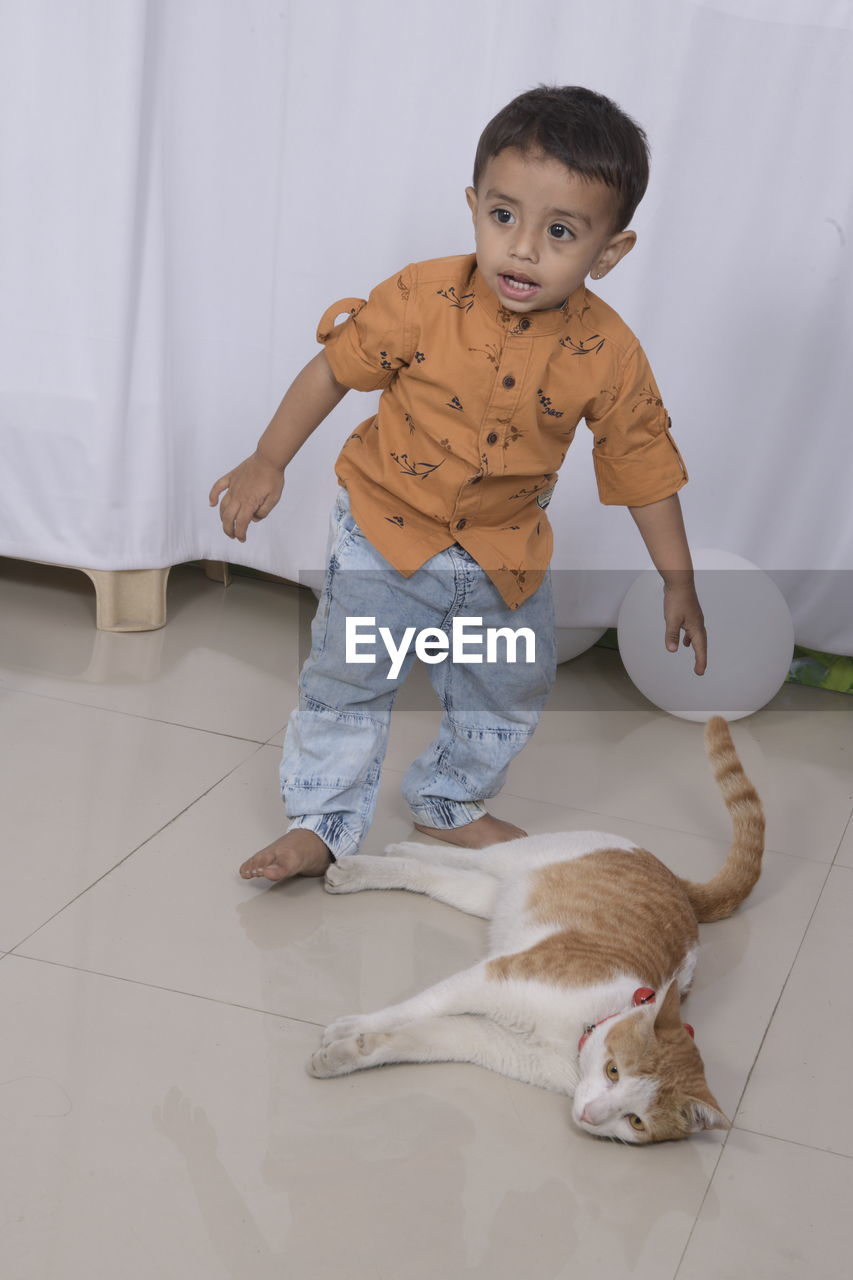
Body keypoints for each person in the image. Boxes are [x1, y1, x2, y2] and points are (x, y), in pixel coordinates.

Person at [209, 85, 707, 884]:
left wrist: (676, 579)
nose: (522, 249)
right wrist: (268, 459)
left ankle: (449, 798)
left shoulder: (609, 353)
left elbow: (644, 463)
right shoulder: (418, 297)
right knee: (350, 675)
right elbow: (334, 371)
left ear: (608, 252)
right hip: (384, 526)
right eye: (503, 217)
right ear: (474, 205)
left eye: (560, 232)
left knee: (510, 680)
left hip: (501, 551)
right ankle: (322, 822)